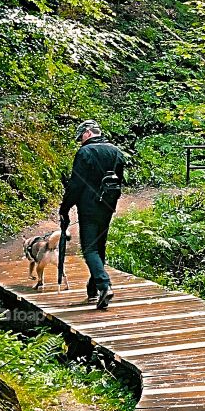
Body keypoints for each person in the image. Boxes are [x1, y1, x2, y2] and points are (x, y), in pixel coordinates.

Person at [59, 119, 126, 310]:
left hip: (88, 207)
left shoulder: (85, 152)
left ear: (88, 133)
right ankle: (93, 289)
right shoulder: (116, 151)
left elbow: (76, 184)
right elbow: (119, 181)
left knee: (89, 249)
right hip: (108, 206)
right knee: (99, 246)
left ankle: (104, 285)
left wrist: (65, 208)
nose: (80, 141)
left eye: (80, 137)